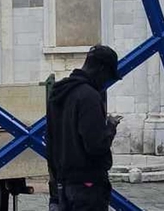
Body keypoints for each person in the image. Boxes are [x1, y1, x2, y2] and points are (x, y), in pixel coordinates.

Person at [46, 45, 121, 211]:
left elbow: (50, 142)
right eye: (108, 77)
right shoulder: (89, 96)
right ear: (101, 69)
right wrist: (110, 127)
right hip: (88, 186)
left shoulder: (58, 94)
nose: (105, 83)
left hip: (64, 184)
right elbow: (95, 146)